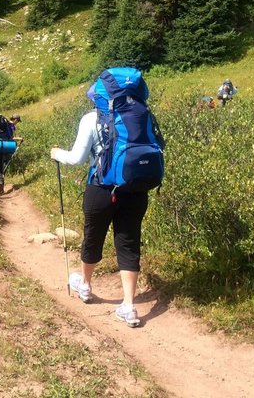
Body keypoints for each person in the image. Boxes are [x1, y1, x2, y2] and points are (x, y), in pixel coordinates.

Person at [50, 79, 153, 328]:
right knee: (128, 243)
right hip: (135, 189)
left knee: (93, 236)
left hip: (101, 189)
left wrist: (57, 154)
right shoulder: (142, 115)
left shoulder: (91, 119)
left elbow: (76, 158)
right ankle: (129, 306)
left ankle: (85, 286)